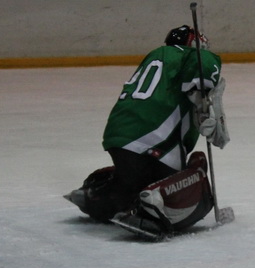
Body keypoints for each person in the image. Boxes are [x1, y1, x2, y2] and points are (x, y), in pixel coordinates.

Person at [65, 24, 229, 236]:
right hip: (155, 137)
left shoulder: (156, 55)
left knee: (133, 182)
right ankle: (154, 206)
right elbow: (204, 74)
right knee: (197, 172)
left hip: (118, 133)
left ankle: (98, 196)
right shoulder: (195, 56)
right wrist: (207, 108)